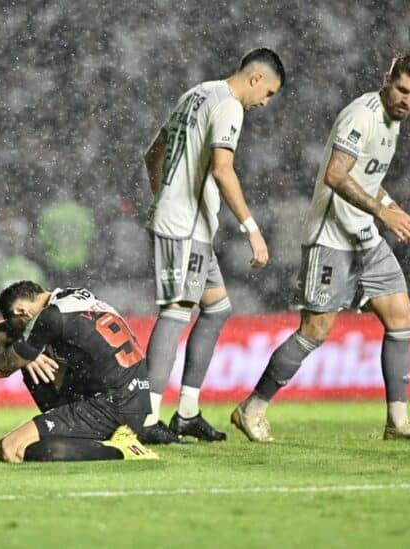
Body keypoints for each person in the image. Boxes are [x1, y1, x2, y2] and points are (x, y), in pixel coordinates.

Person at [231, 51, 410, 442]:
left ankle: (397, 424)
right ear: (386, 79)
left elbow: (366, 177)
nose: (406, 101)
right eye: (401, 90)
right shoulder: (361, 115)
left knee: (401, 319)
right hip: (331, 239)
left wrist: (390, 207)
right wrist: (382, 211)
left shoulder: (392, 123)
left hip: (365, 238)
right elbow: (335, 174)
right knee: (315, 330)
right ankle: (251, 408)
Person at [141, 48, 285, 443]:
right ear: (256, 78)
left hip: (193, 225)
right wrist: (251, 228)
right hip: (184, 226)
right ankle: (147, 418)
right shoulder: (229, 107)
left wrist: (163, 194)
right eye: (269, 93)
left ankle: (186, 412)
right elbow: (223, 169)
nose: (265, 103)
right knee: (174, 313)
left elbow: (153, 153)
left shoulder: (197, 93)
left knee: (218, 307)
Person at [0, 281, 158, 462]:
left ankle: (121, 450)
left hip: (110, 406)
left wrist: (1, 330)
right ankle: (77, 432)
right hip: (134, 404)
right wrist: (28, 357)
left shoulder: (50, 317)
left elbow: (2, 367)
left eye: (18, 325)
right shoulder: (76, 297)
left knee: (11, 449)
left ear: (20, 310)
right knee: (32, 365)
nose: (22, 331)